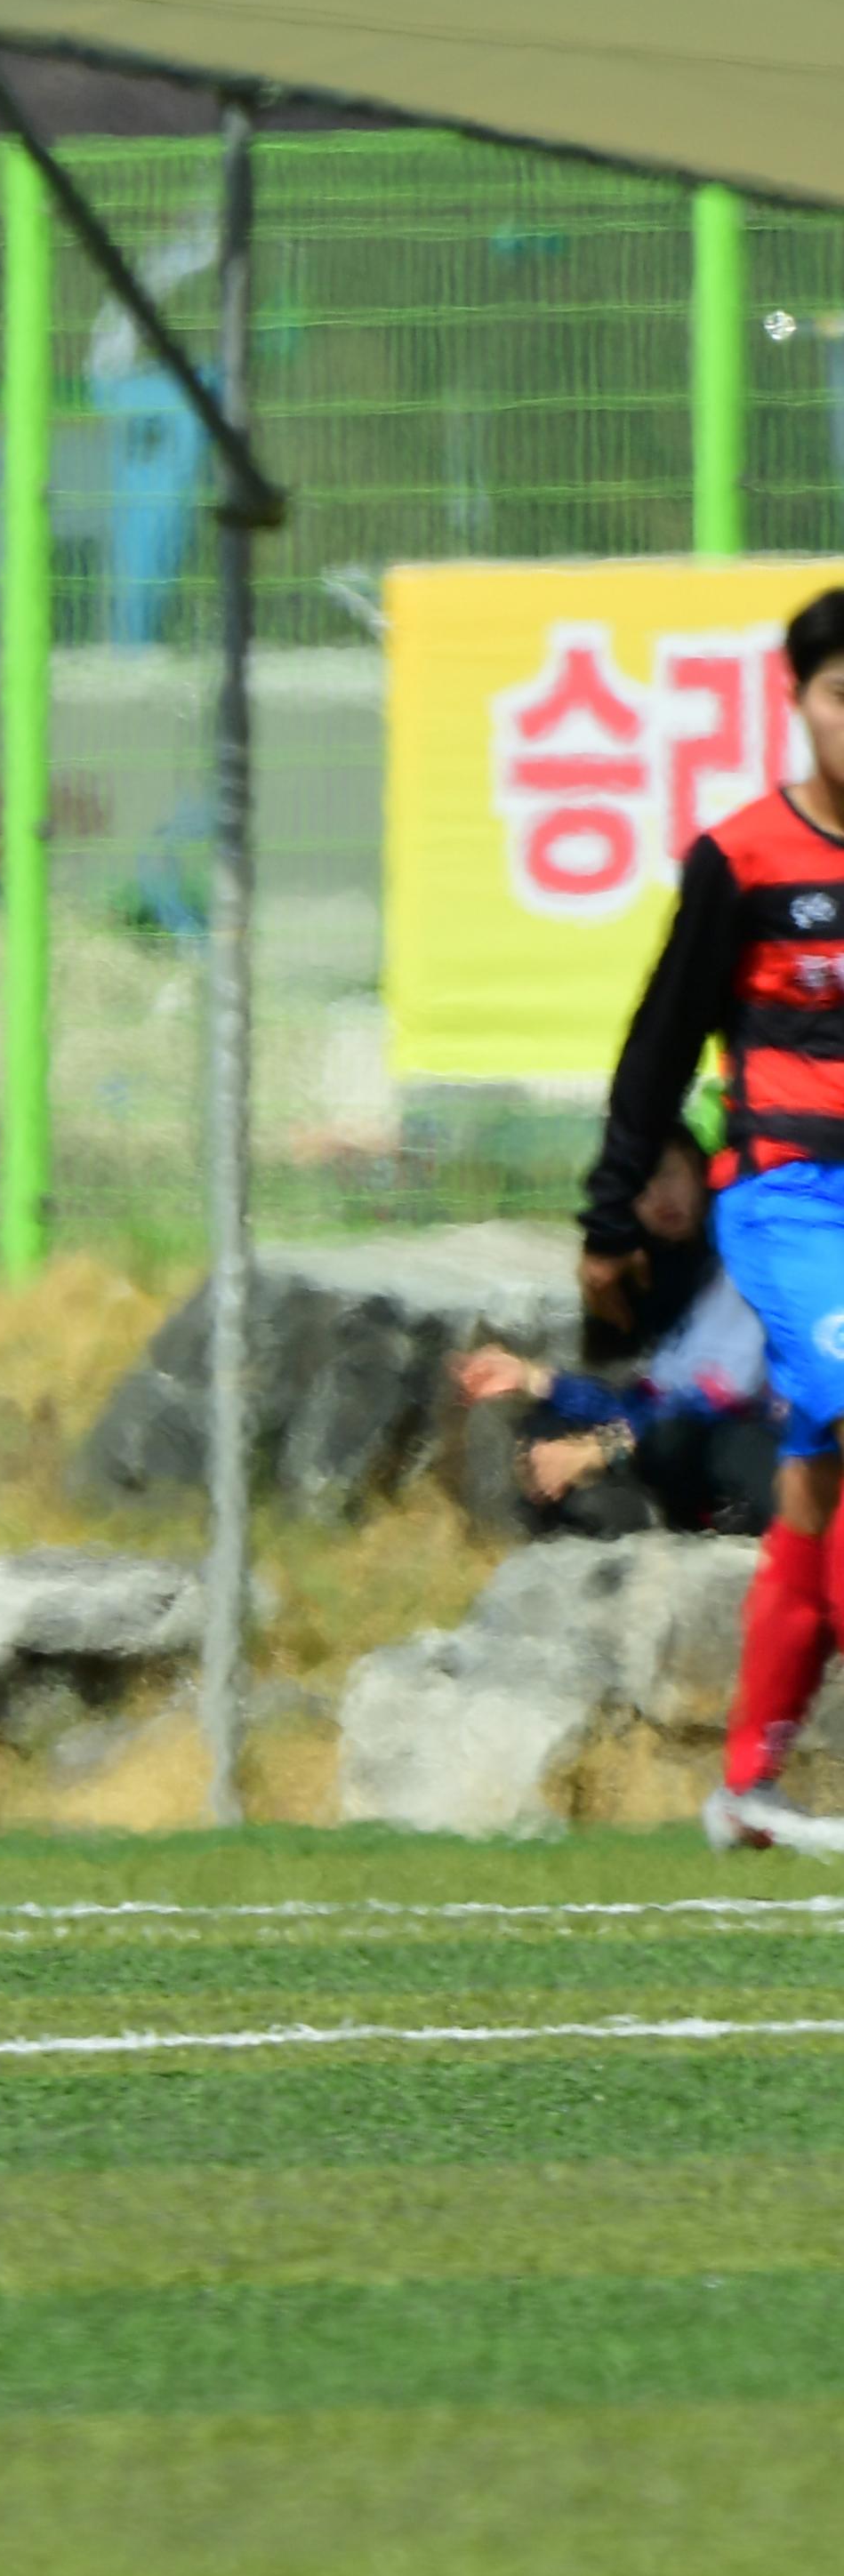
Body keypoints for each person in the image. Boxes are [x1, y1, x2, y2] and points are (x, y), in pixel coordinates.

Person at [586, 583, 844, 1851]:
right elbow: (658, 1045)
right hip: (790, 1199)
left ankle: (748, 1785)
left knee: (816, 1476)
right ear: (800, 704)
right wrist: (609, 1212)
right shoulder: (741, 861)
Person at [455, 1132, 773, 1537]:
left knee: (676, 1440)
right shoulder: (671, 1270)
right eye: (637, 1188)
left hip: (765, 1444)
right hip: (688, 1441)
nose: (658, 1196)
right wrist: (533, 1379)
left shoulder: (743, 1251)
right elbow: (650, 1400)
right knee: (552, 1422)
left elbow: (717, 1399)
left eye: (666, 1175)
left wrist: (599, 1451)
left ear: (698, 1170)